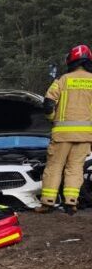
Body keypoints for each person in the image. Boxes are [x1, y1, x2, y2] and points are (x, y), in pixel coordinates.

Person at [37, 44, 92, 215]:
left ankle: (47, 203)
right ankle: (71, 203)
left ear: (71, 61)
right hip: (85, 136)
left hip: (62, 135)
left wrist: (52, 119)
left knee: (54, 167)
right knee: (75, 168)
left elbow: (48, 104)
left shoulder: (62, 80)